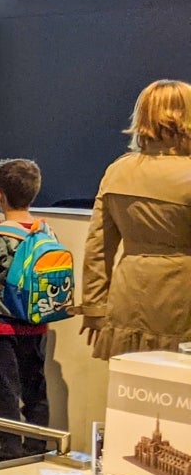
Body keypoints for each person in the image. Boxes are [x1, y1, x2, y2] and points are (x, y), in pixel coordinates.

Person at [79, 79, 191, 358]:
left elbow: (98, 247)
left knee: (129, 392)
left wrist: (94, 308)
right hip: (182, 301)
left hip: (129, 297)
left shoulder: (118, 171)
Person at [0, 158, 51, 460]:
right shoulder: (45, 233)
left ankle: (10, 455)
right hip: (37, 325)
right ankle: (38, 449)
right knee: (35, 391)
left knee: (5, 396)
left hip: (1, 329)